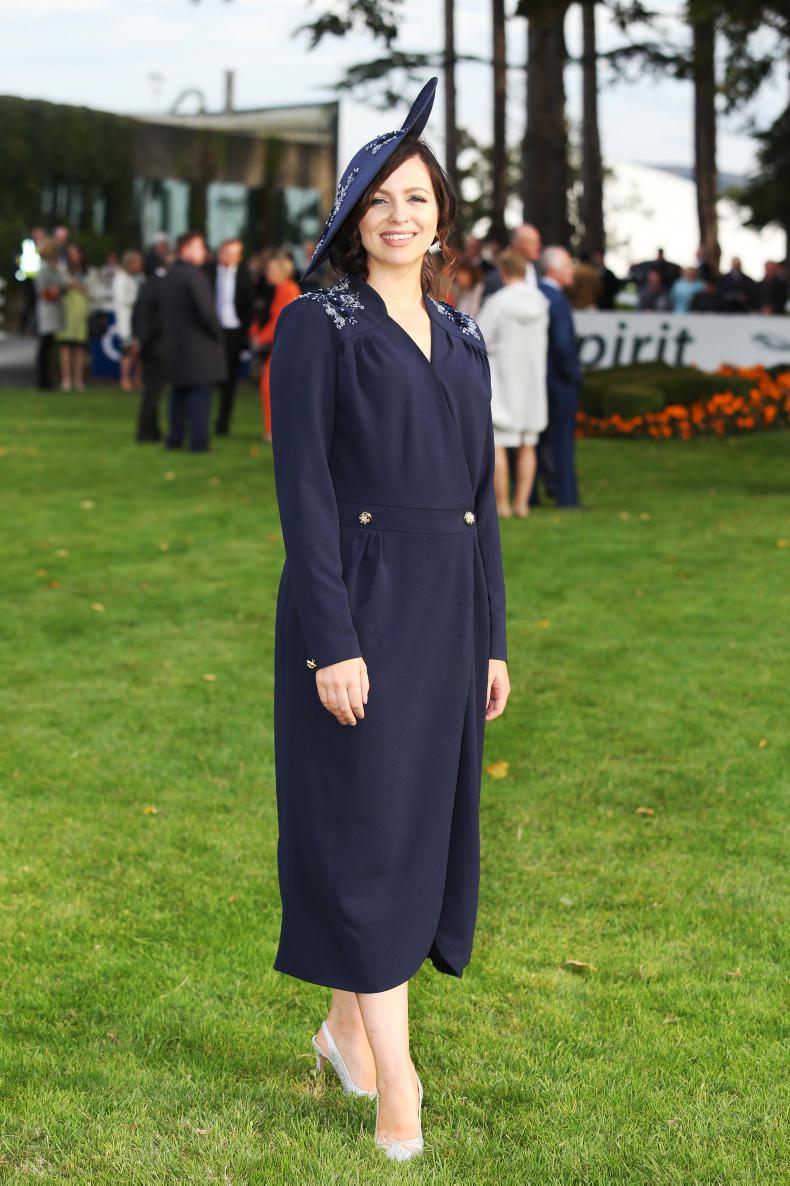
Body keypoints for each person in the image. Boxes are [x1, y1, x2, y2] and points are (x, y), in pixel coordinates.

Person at [268, 76, 510, 1163]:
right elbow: (304, 493)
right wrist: (333, 641)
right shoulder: (317, 324)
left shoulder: (464, 335)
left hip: (446, 614)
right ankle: (397, 1080)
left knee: (407, 825)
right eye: (379, 200)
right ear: (353, 219)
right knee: (364, 827)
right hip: (358, 605)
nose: (399, 215)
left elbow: (479, 500)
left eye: (416, 198)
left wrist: (492, 637)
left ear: (441, 217)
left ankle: (343, 1028)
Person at [476, 250, 549, 517]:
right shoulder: (540, 302)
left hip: (503, 377)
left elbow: (479, 337)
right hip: (532, 378)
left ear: (503, 272)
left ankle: (503, 504)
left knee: (500, 444)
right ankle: (522, 503)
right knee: (528, 443)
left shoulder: (497, 302)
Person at [160, 231, 227, 452]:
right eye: (199, 247)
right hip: (200, 348)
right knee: (200, 396)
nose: (204, 252)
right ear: (186, 248)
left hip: (176, 345)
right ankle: (199, 442)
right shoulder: (195, 276)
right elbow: (206, 312)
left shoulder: (170, 275)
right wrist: (218, 334)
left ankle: (175, 439)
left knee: (178, 394)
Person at [537, 246, 582, 508]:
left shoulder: (536, 293)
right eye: (567, 265)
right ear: (554, 269)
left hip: (539, 379)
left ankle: (531, 495)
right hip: (559, 381)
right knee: (563, 440)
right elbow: (564, 345)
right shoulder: (557, 300)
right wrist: (573, 376)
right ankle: (566, 497)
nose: (572, 270)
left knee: (537, 439)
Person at [204, 237, 255, 436]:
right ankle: (201, 422)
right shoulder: (207, 272)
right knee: (208, 378)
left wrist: (243, 331)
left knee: (229, 382)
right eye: (226, 252)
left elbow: (249, 306)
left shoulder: (244, 276)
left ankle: (222, 425)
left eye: (233, 253)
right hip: (212, 332)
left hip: (234, 333)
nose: (228, 256)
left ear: (239, 257)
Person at [249, 249, 301, 442]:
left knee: (270, 385)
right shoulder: (274, 289)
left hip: (288, 344)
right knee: (272, 385)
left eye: (271, 270)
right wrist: (255, 332)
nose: (267, 273)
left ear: (282, 271)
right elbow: (265, 316)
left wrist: (259, 337)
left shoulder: (288, 289)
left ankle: (274, 431)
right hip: (280, 343)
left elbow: (280, 319)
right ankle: (273, 429)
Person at [131, 252, 169, 442]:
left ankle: (152, 430)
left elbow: (137, 314)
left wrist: (139, 339)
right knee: (153, 392)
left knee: (151, 389)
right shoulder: (162, 286)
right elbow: (160, 318)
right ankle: (146, 430)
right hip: (157, 344)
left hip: (147, 343)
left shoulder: (146, 285)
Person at [55, 243, 90, 390]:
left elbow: (90, 290)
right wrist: (69, 286)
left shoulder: (87, 272)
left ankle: (78, 379)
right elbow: (58, 288)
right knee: (66, 346)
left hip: (81, 312)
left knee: (79, 347)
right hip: (66, 311)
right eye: (71, 255)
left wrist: (79, 287)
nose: (73, 257)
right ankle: (66, 380)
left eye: (75, 254)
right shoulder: (62, 271)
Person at [33, 238, 65, 390]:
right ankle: (43, 380)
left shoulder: (51, 266)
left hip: (52, 308)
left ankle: (46, 379)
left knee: (48, 345)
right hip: (48, 309)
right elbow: (44, 290)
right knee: (45, 345)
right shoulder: (45, 268)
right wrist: (56, 290)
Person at [483, 223, 541, 299]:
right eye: (532, 243)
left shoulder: (542, 271)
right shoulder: (494, 278)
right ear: (517, 245)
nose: (538, 246)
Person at [113, 250, 144, 391]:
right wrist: (139, 299)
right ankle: (125, 379)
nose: (140, 265)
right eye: (137, 262)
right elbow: (122, 299)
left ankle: (137, 379)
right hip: (126, 320)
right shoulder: (121, 278)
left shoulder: (137, 278)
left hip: (137, 320)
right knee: (127, 350)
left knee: (138, 351)